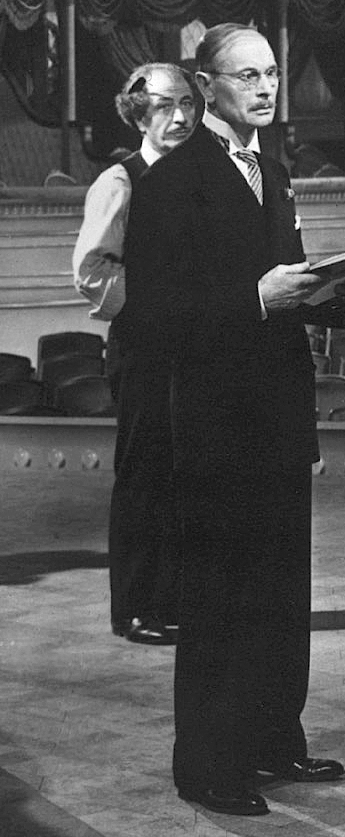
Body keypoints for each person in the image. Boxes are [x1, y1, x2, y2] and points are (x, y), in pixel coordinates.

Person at [121, 24, 345, 817]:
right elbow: (154, 315)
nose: (265, 88)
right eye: (246, 75)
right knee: (220, 595)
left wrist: (331, 293)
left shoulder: (275, 171)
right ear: (206, 86)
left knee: (283, 589)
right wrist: (258, 298)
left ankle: (273, 740)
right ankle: (208, 764)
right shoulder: (169, 180)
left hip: (279, 412)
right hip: (215, 421)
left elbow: (281, 282)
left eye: (271, 73)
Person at [72, 63, 197, 646]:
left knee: (187, 475)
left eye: (188, 105)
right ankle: (136, 610)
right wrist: (154, 304)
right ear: (139, 116)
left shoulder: (202, 177)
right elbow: (91, 271)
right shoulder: (120, 181)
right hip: (144, 348)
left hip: (197, 348)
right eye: (165, 107)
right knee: (145, 477)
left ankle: (175, 601)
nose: (180, 117)